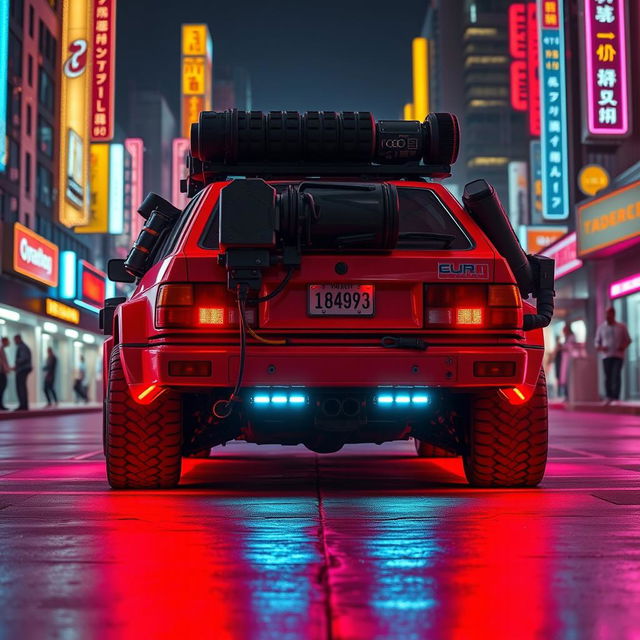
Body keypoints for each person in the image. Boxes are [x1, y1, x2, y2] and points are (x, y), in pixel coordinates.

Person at [595, 307, 632, 405]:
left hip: (618, 355)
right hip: (606, 356)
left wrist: (623, 346)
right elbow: (596, 343)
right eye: (607, 313)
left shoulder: (622, 327)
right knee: (608, 376)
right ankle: (608, 396)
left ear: (614, 314)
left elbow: (628, 340)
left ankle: (616, 397)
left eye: (610, 313)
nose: (608, 315)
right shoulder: (601, 328)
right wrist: (601, 348)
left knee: (616, 375)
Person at [556, 323, 577, 399]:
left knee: (569, 377)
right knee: (565, 377)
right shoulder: (566, 338)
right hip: (565, 359)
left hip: (570, 359)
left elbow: (571, 347)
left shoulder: (572, 337)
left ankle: (569, 395)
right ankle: (566, 395)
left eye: (564, 330)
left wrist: (562, 347)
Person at [13, 335, 32, 411]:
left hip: (22, 369)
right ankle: (24, 405)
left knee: (20, 387)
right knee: (22, 387)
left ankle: (23, 405)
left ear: (18, 339)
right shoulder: (24, 346)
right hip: (23, 369)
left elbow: (24, 358)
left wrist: (17, 363)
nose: (14, 342)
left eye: (15, 340)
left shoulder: (22, 347)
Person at [0, 337, 10, 410]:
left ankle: (1, 404)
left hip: (2, 371)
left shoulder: (2, 349)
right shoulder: (1, 349)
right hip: (1, 372)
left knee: (2, 388)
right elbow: (2, 361)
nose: (9, 343)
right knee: (1, 388)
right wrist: (5, 369)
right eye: (7, 341)